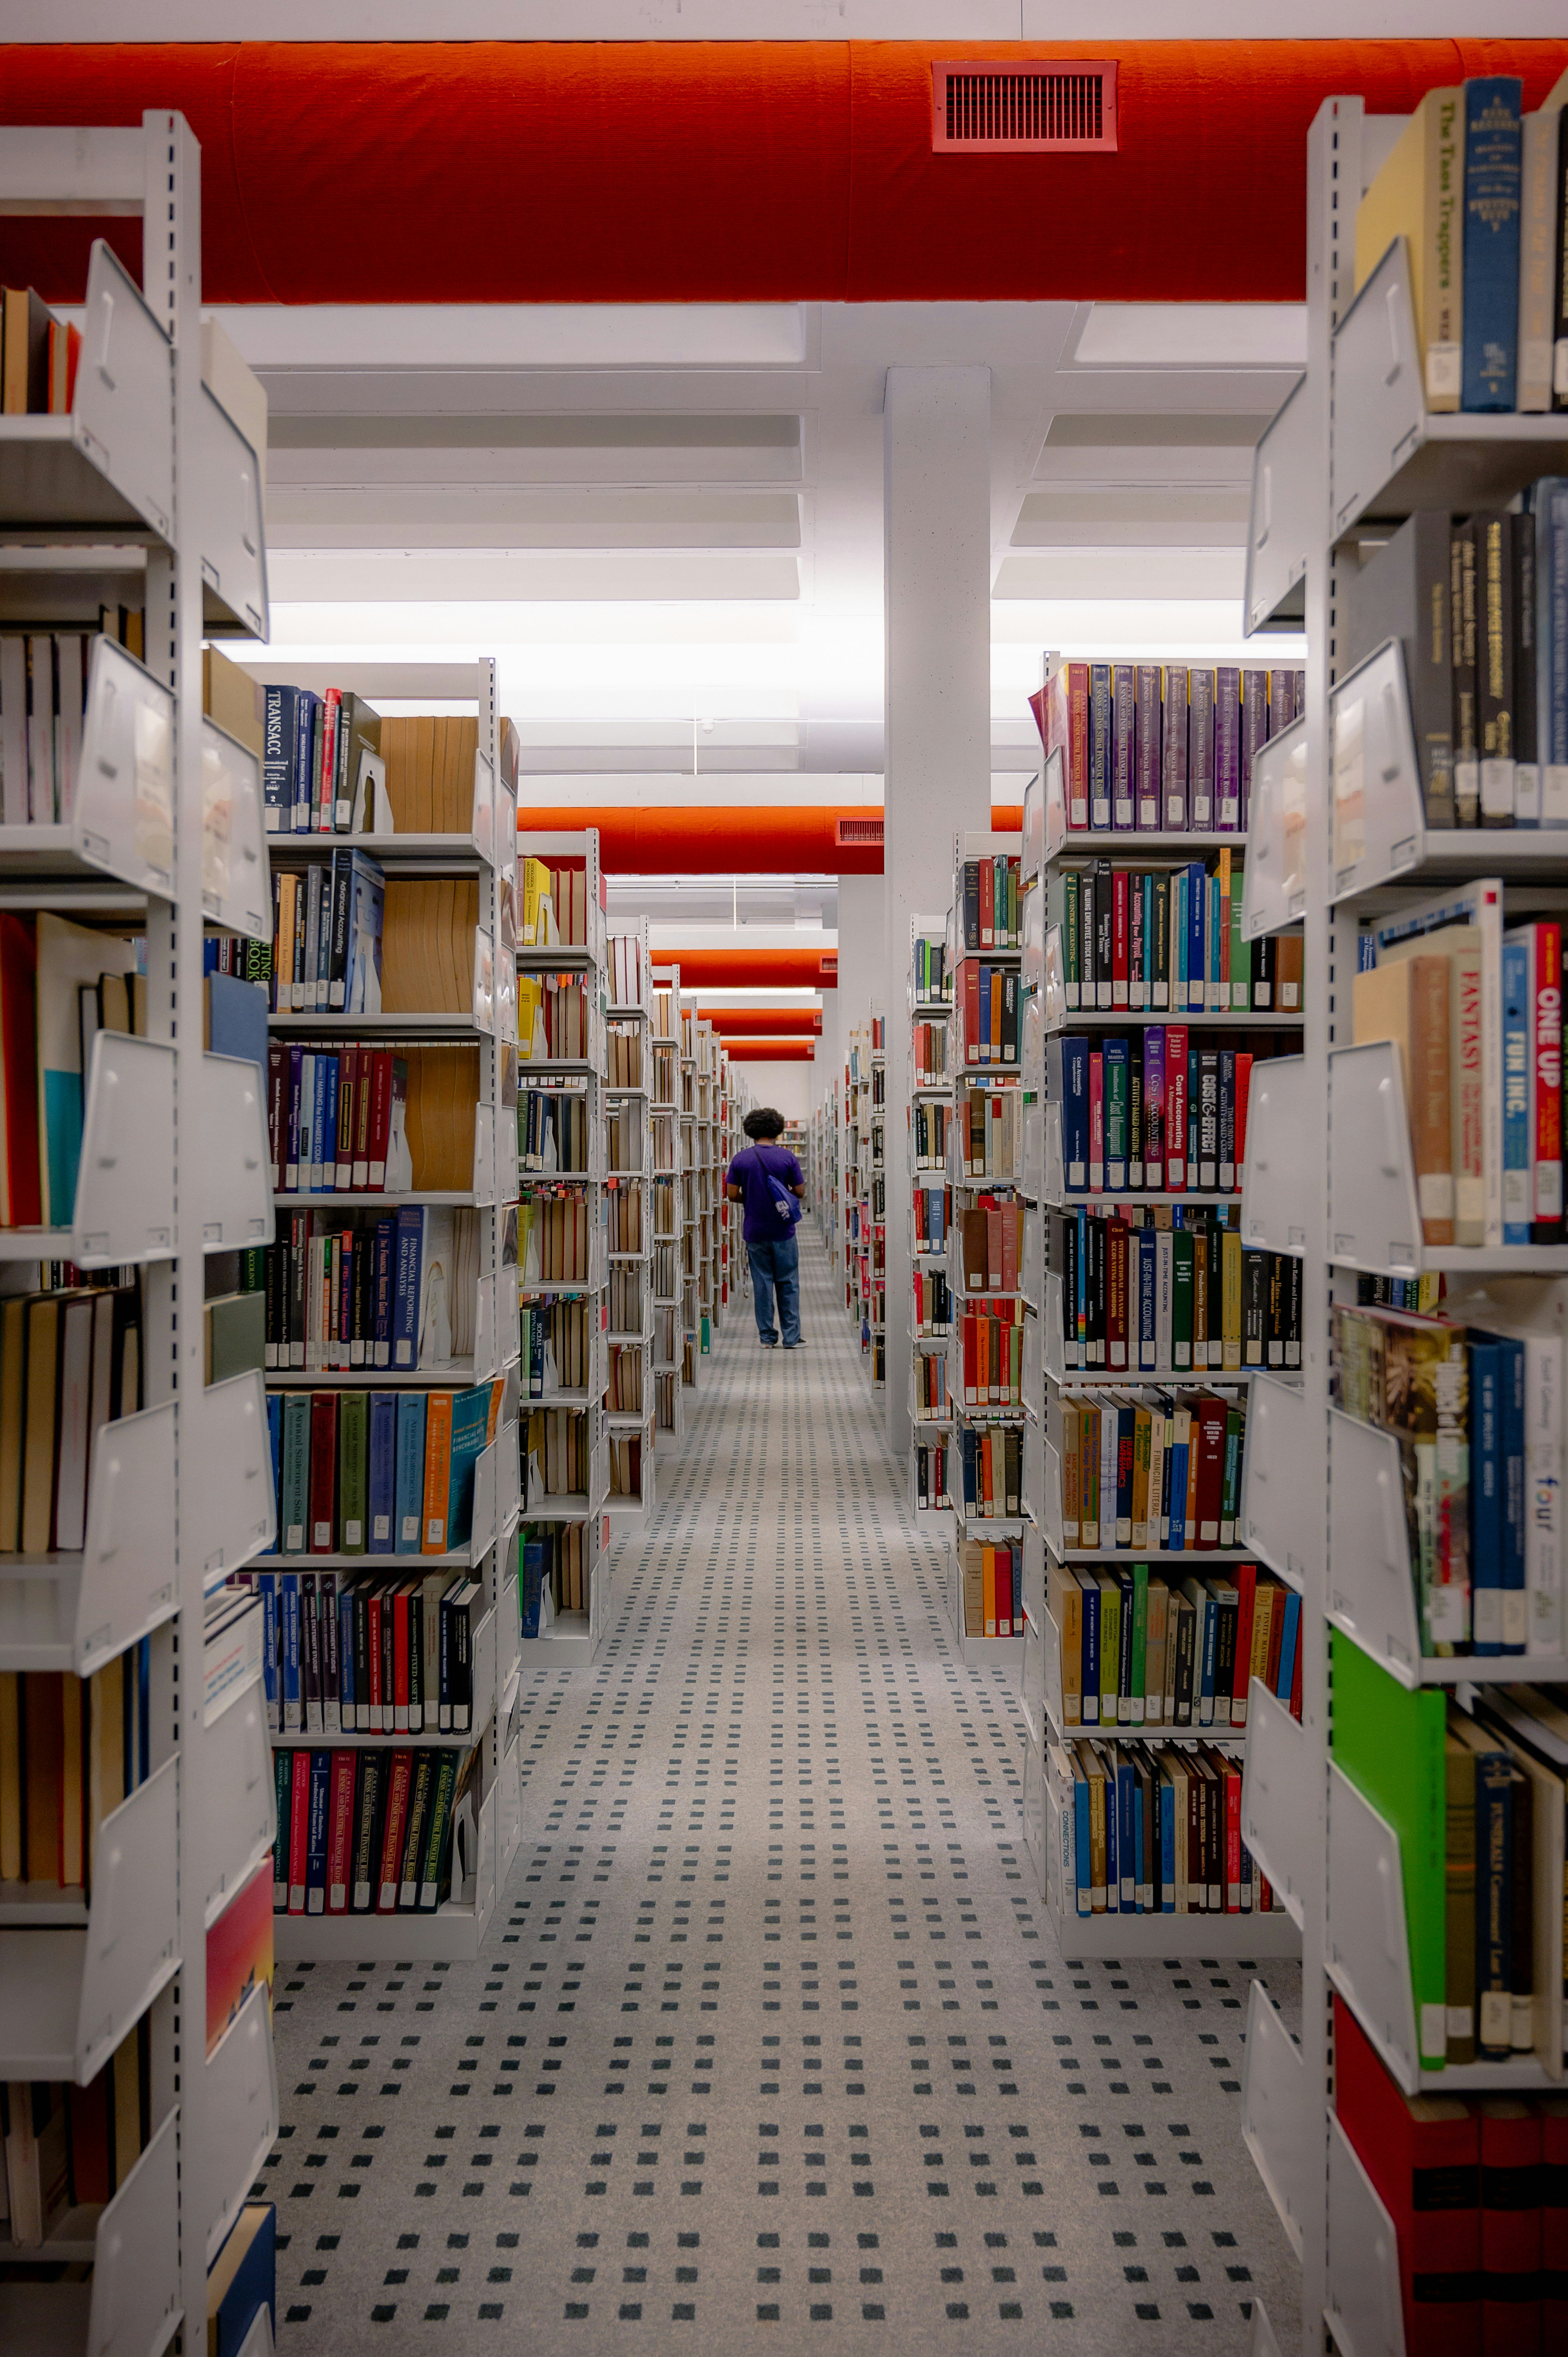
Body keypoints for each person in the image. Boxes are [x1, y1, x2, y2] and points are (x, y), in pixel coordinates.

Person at [725, 1107, 805, 1348]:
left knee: (762, 1284)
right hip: (783, 1231)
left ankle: (767, 1338)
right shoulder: (787, 1158)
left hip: (755, 1231)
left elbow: (731, 1195)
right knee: (788, 1283)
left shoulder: (741, 1159)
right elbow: (800, 1192)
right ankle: (791, 1338)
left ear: (751, 1131)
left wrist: (751, 1197)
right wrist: (783, 1197)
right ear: (778, 1131)